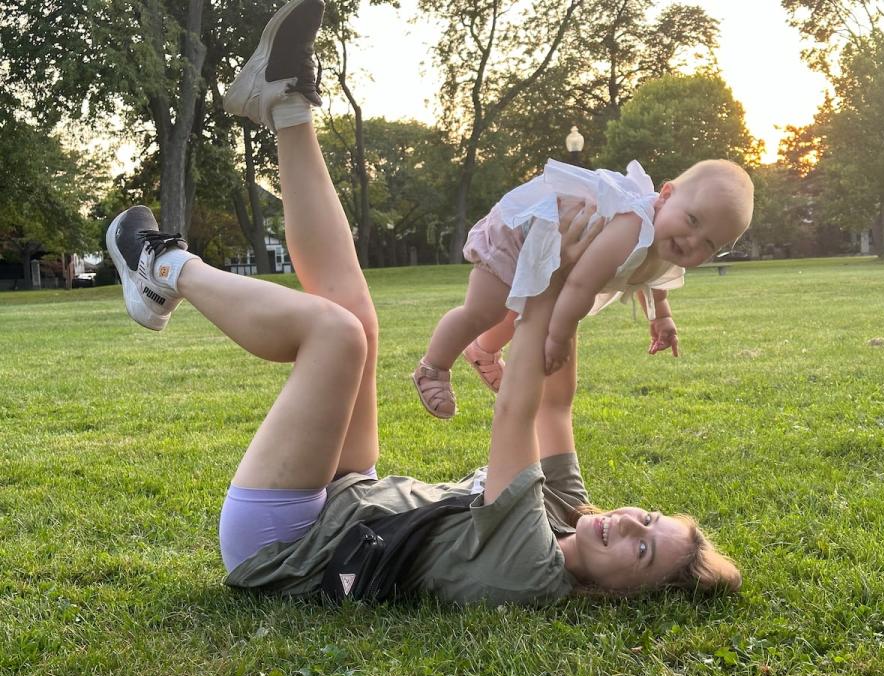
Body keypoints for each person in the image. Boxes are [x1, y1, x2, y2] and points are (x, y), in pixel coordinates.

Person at [105, 0, 741, 604]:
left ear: (616, 596)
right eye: (648, 520)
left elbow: (516, 413)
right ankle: (286, 103)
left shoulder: (533, 568)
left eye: (640, 552)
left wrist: (549, 275)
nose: (626, 526)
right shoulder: (573, 510)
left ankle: (161, 266)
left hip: (284, 545)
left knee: (336, 335)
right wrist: (568, 297)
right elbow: (555, 404)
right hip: (350, 497)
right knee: (357, 317)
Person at [412, 155, 754, 419]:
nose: (690, 240)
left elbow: (651, 275)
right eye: (691, 220)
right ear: (665, 196)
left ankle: (483, 351)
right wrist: (558, 339)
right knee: (484, 310)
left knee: (515, 306)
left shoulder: (668, 239)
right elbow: (578, 285)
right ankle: (433, 368)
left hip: (551, 248)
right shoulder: (631, 227)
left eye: (708, 243)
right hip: (522, 231)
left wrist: (661, 315)